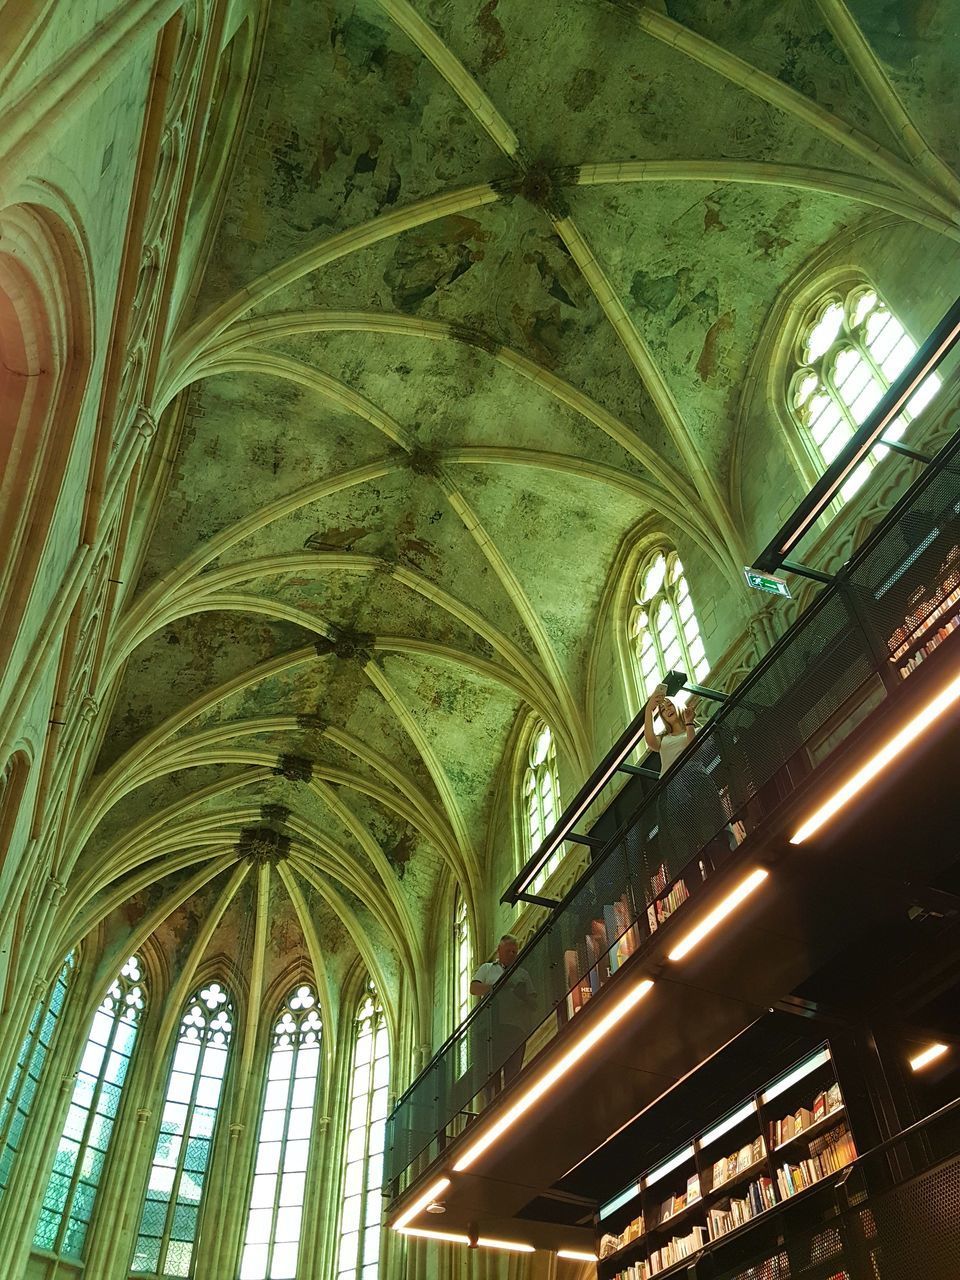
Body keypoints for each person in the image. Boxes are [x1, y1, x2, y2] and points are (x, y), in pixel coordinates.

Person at [643, 683, 732, 867]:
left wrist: (689, 723)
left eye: (669, 705)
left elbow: (694, 751)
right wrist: (649, 708)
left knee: (708, 826)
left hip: (694, 782)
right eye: (662, 709)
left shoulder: (695, 731)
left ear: (677, 707)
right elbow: (650, 739)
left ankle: (722, 862)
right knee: (681, 839)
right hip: (672, 791)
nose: (666, 710)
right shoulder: (664, 740)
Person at [470, 934, 535, 1095]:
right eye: (508, 952)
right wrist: (497, 988)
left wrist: (523, 995)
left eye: (515, 952)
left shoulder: (523, 974)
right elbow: (474, 989)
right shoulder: (487, 969)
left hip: (515, 1028)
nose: (512, 955)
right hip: (492, 1028)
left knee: (513, 1074)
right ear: (499, 951)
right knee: (491, 1074)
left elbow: (534, 1003)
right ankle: (493, 1105)